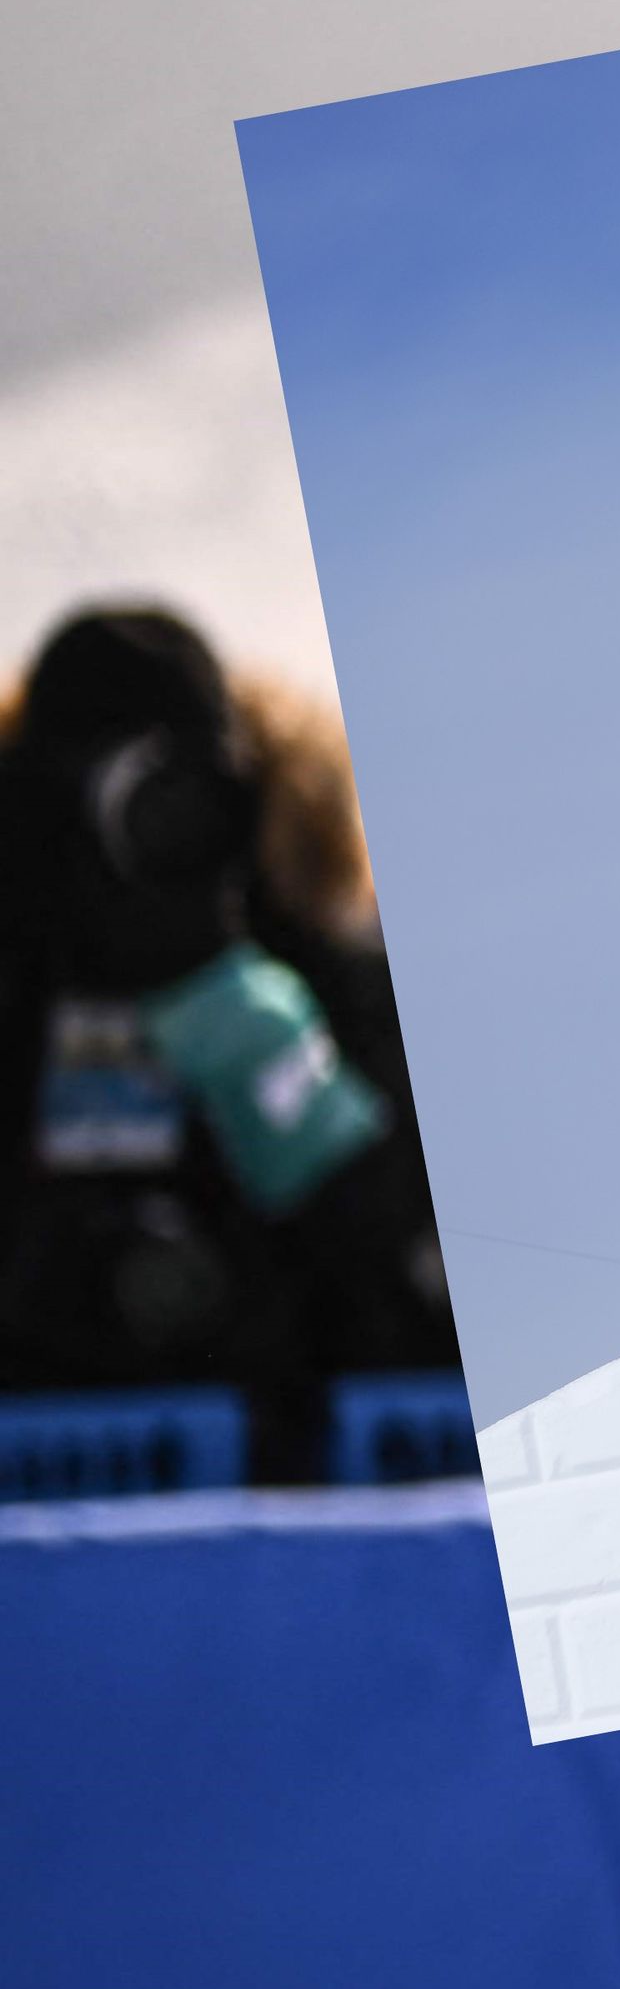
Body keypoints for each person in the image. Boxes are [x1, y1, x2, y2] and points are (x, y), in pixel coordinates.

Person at [0, 601, 456, 1471]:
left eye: (177, 797)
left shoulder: (317, 981)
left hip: (292, 1467)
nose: (135, 830)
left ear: (243, 793)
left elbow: (422, 1302)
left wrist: (287, 1074)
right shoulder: (18, 978)